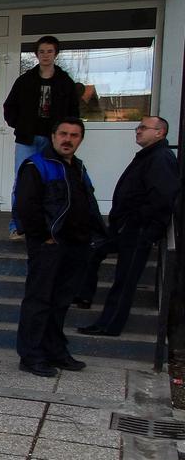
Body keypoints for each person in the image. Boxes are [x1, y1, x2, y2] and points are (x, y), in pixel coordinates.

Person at [14, 118, 102, 377]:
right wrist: (44, 237)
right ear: (53, 136)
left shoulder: (78, 167)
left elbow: (88, 202)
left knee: (61, 301)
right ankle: (31, 355)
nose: (68, 139)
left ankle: (55, 351)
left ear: (81, 139)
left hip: (76, 245)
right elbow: (25, 205)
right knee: (39, 300)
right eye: (63, 134)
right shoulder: (36, 165)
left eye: (74, 135)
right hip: (48, 246)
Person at [76, 116, 179, 336]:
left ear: (159, 132)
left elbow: (162, 198)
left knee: (125, 279)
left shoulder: (160, 158)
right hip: (127, 227)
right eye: (138, 127)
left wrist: (136, 222)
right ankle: (83, 295)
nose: (138, 130)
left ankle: (109, 325)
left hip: (138, 230)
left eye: (143, 127)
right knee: (94, 250)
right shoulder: (149, 156)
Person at [4, 36, 79, 240]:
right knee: (22, 181)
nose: (45, 55)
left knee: (53, 180)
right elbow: (9, 106)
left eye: (49, 51)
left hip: (53, 141)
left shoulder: (65, 82)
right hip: (27, 139)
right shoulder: (25, 81)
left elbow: (73, 111)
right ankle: (18, 226)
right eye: (42, 52)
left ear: (56, 54)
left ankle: (50, 226)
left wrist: (65, 135)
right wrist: (20, 125)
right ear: (36, 55)